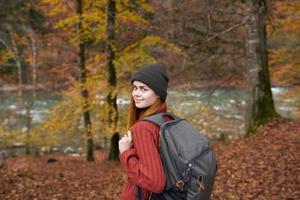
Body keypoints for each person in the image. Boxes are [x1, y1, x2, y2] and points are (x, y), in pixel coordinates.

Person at [119, 63, 169, 200]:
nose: (136, 93)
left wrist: (126, 153)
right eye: (135, 88)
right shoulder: (166, 120)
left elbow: (156, 183)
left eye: (144, 89)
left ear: (158, 94)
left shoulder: (143, 128)